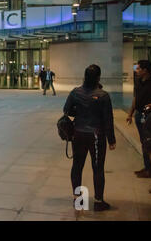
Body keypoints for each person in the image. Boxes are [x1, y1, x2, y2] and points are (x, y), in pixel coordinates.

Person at [63, 64, 116, 212]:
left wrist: (80, 111)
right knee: (98, 168)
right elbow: (108, 120)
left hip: (78, 134)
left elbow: (66, 110)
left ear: (84, 76)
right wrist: (111, 140)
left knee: (77, 167)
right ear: (98, 77)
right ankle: (98, 202)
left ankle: (78, 200)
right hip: (96, 136)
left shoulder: (75, 92)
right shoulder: (103, 95)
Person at [126, 60, 151, 178]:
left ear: (145, 70)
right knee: (143, 142)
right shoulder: (138, 81)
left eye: (138, 68)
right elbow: (136, 98)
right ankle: (147, 168)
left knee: (150, 142)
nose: (136, 70)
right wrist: (130, 113)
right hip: (140, 115)